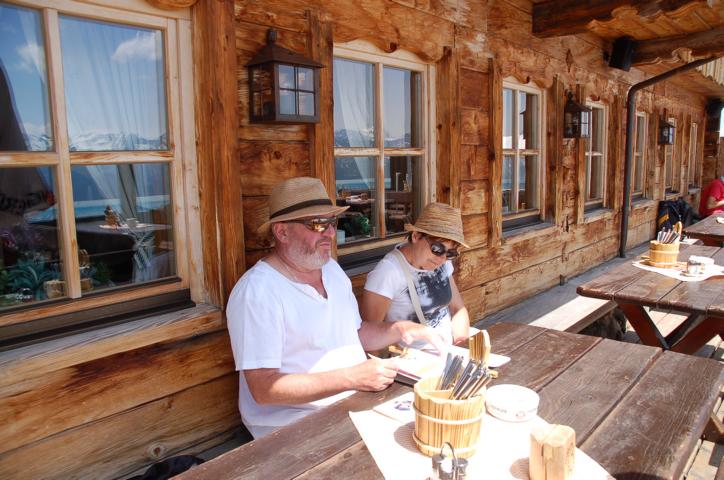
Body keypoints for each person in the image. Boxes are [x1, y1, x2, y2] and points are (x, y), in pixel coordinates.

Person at [226, 177, 444, 438]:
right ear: (282, 232)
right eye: (318, 224)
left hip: (353, 402)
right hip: (292, 426)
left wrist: (402, 329)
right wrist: (351, 377)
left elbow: (355, 332)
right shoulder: (257, 292)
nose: (330, 233)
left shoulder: (330, 269)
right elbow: (263, 389)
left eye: (332, 222)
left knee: (437, 425)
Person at [360, 202, 471, 348]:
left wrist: (460, 346)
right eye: (437, 249)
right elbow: (370, 338)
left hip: (448, 350)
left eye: (450, 253)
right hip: (413, 357)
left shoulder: (442, 263)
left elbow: (458, 309)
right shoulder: (388, 272)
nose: (443, 258)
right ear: (416, 236)